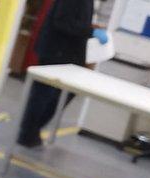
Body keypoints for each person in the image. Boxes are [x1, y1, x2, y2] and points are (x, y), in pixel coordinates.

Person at [16, 0, 108, 148]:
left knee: (62, 94)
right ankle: (27, 133)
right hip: (55, 51)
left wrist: (90, 30)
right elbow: (62, 21)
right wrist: (90, 32)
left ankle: (32, 130)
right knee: (43, 94)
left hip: (67, 53)